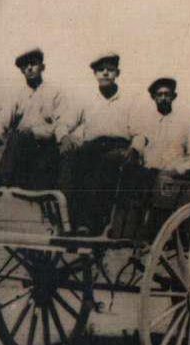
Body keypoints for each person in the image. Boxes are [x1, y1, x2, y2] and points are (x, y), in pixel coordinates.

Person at [58, 52, 135, 235]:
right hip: (92, 147)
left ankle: (89, 223)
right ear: (95, 74)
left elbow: (139, 132)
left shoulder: (129, 100)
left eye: (110, 70)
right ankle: (66, 220)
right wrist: (64, 137)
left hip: (118, 148)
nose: (105, 73)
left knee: (103, 165)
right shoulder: (86, 99)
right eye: (101, 70)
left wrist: (134, 148)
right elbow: (64, 123)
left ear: (117, 73)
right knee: (70, 160)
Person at [0, 48, 76, 190]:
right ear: (22, 71)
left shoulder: (55, 93)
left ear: (42, 67)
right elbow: (3, 117)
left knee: (21, 136)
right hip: (22, 149)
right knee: (17, 136)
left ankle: (3, 179)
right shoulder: (17, 96)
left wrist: (59, 136)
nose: (29, 68)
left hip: (45, 148)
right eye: (25, 66)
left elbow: (61, 123)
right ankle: (2, 179)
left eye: (33, 64)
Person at [129, 77, 190, 173]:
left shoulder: (184, 124)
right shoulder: (145, 123)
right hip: (150, 175)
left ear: (174, 96)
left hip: (174, 176)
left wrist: (180, 169)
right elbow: (136, 149)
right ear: (153, 97)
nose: (163, 98)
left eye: (167, 94)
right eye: (159, 94)